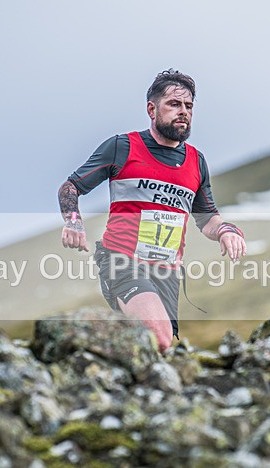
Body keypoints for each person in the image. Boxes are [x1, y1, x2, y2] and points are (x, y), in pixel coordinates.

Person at [58, 69, 246, 353]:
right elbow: (71, 187)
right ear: (152, 108)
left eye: (189, 106)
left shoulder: (196, 162)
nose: (183, 112)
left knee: (160, 349)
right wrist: (73, 221)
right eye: (174, 104)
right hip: (122, 261)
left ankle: (96, 360)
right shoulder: (122, 147)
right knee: (157, 336)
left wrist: (226, 231)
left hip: (167, 271)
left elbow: (207, 218)